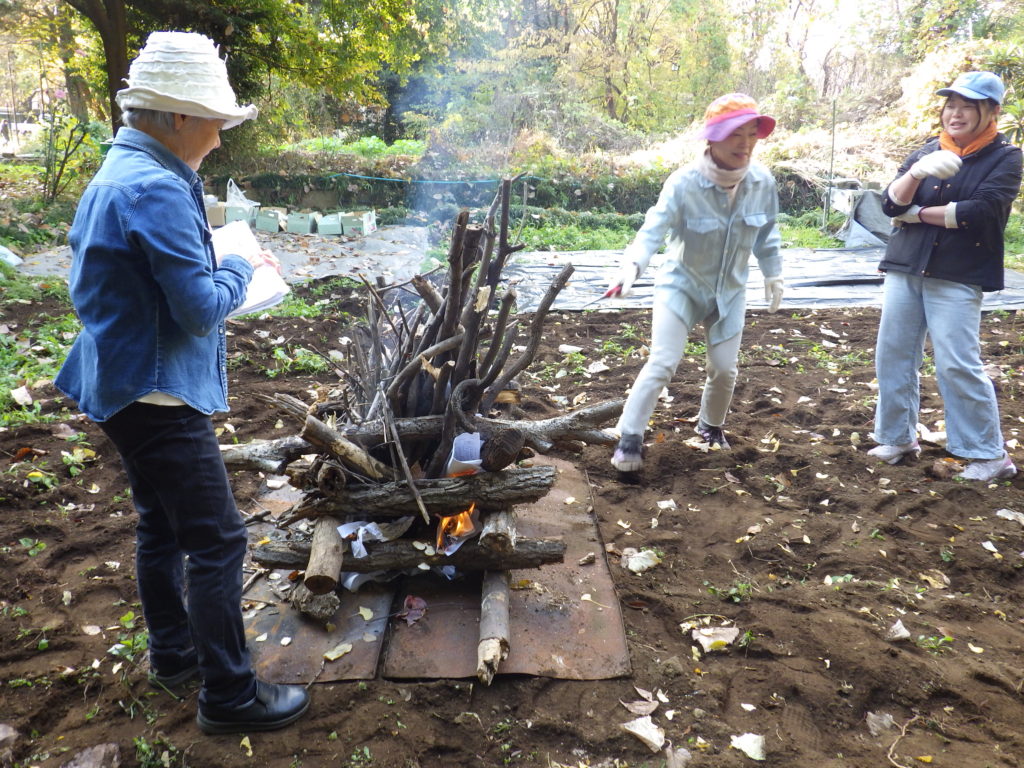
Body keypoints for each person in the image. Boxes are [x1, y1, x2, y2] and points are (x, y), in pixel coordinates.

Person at [54, 31, 310, 734]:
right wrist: (242, 267)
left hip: (121, 382)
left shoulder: (122, 172)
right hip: (158, 394)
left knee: (160, 526)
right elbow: (198, 309)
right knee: (218, 540)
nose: (221, 138)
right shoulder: (156, 188)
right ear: (175, 116)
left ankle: (173, 654)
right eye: (214, 122)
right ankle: (229, 696)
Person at [607, 93, 784, 472]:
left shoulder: (762, 182)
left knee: (724, 369)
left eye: (751, 134)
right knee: (663, 361)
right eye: (736, 133)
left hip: (730, 292)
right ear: (713, 137)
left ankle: (710, 427)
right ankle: (629, 436)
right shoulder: (683, 183)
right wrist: (632, 266)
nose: (745, 143)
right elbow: (652, 230)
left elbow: (768, 233)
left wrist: (773, 272)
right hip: (681, 287)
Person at [869, 71, 1023, 482]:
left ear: (992, 111)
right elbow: (889, 204)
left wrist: (917, 214)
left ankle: (989, 454)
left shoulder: (1006, 158)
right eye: (950, 105)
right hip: (906, 266)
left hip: (958, 272)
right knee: (893, 355)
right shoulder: (927, 151)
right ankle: (898, 437)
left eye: (967, 107)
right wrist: (917, 173)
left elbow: (980, 212)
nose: (955, 114)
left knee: (956, 362)